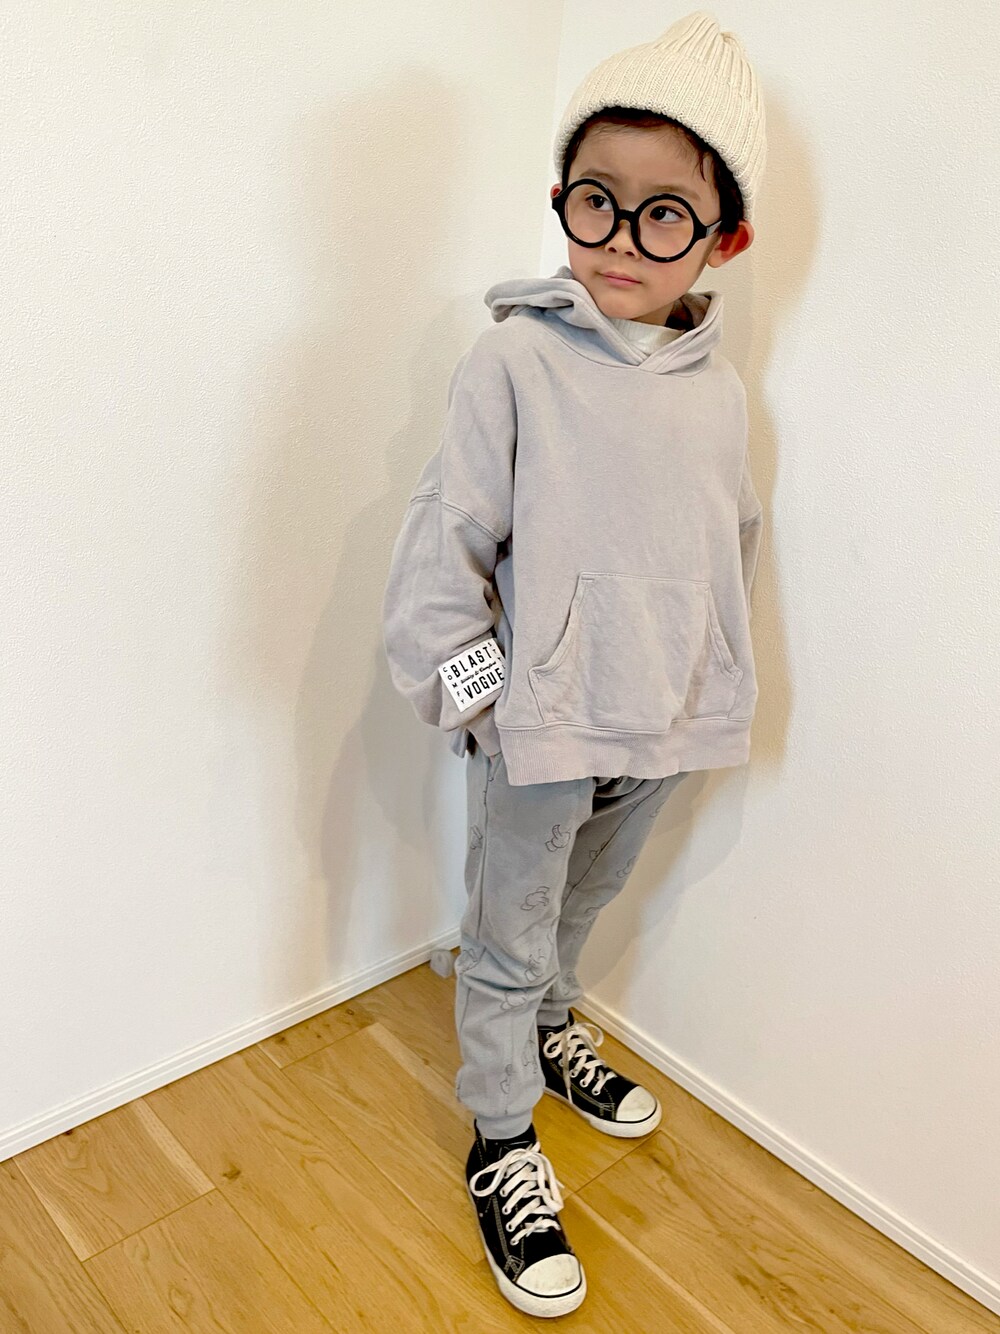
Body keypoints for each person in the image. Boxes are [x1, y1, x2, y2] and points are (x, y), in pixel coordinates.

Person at [381, 10, 766, 1318]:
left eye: (664, 215)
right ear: (562, 198)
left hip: (663, 724)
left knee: (579, 909)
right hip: (541, 731)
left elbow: (729, 549)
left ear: (723, 237)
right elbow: (442, 558)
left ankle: (554, 1029)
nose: (620, 240)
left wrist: (715, 681)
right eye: (595, 200)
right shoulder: (514, 362)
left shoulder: (721, 394)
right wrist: (485, 707)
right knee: (505, 934)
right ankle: (501, 1136)